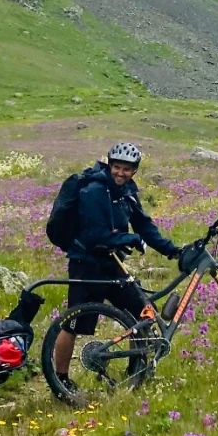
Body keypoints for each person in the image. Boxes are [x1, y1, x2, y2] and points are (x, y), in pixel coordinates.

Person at [52, 142, 178, 390]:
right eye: (117, 167)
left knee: (141, 313)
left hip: (113, 263)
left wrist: (172, 250)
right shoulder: (94, 192)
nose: (121, 173)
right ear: (110, 165)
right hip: (86, 265)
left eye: (127, 169)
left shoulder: (127, 193)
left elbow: (144, 225)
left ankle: (137, 369)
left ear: (135, 171)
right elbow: (94, 235)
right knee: (74, 324)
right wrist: (129, 238)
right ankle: (61, 378)